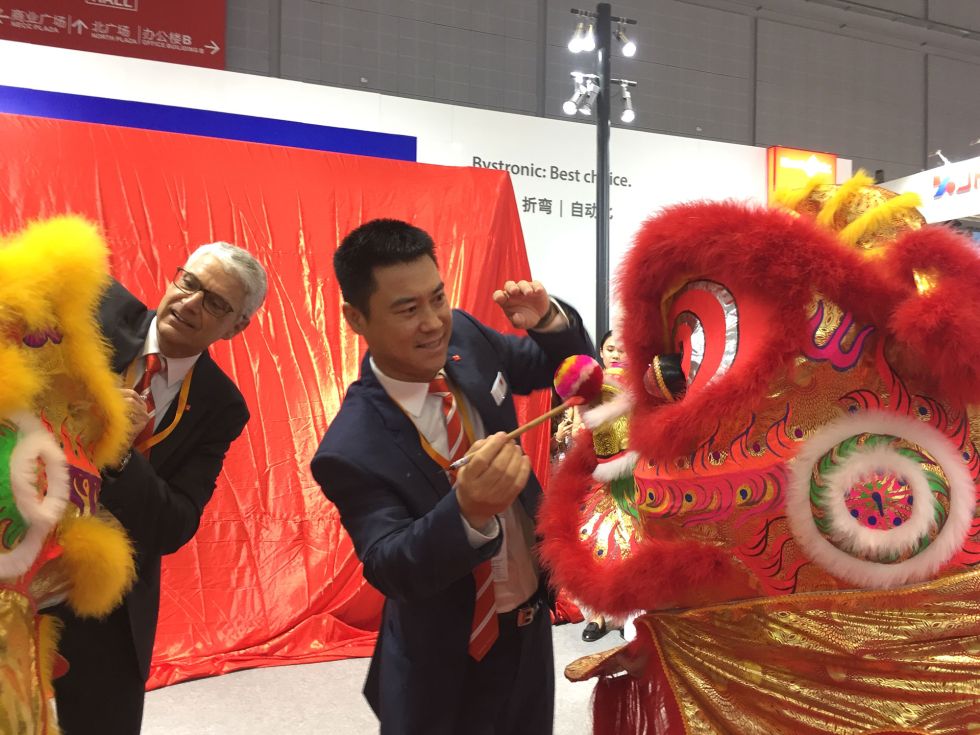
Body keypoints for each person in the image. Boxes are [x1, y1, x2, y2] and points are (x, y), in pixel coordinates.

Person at [310, 218, 593, 735]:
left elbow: (566, 369)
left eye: (436, 298)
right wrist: (467, 513)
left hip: (528, 633)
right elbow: (391, 566)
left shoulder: (466, 336)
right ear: (356, 318)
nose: (433, 322)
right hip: (441, 657)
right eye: (407, 309)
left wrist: (549, 321)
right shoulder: (351, 446)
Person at [53, 242, 268, 735]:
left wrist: (122, 456)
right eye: (189, 283)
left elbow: (174, 524)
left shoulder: (220, 405)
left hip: (105, 595)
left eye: (216, 303)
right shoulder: (97, 307)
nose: (191, 304)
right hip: (16, 552)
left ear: (237, 327)